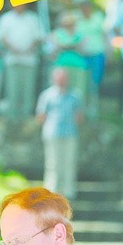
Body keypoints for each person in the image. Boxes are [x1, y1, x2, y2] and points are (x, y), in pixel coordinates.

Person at [35, 67, 83, 200]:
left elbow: (79, 116)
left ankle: (69, 193)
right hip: (52, 133)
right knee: (52, 164)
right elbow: (40, 116)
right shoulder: (47, 95)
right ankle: (51, 192)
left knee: (69, 163)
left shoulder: (75, 96)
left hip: (70, 133)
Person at [0, 4, 42, 120]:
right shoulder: (5, 18)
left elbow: (38, 37)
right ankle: (12, 116)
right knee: (12, 89)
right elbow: (2, 37)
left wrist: (28, 49)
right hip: (12, 60)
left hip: (29, 59)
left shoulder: (33, 18)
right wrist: (14, 49)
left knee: (28, 89)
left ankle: (26, 115)